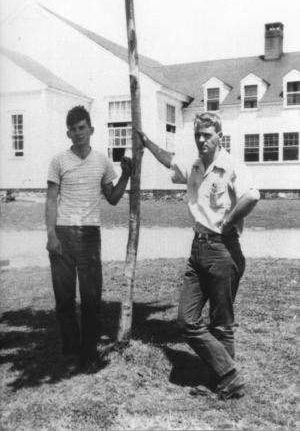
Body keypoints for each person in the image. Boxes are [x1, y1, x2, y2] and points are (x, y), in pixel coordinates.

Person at [138, 112, 260, 399]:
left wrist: (227, 222)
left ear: (220, 135)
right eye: (198, 135)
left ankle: (224, 383)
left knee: (221, 323)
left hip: (223, 250)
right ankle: (229, 374)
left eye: (207, 134)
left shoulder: (230, 165)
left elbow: (252, 196)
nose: (202, 140)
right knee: (186, 320)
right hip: (198, 249)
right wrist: (146, 142)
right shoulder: (194, 166)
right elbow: (169, 159)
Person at [45, 105, 131, 370]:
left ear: (91, 129)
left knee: (92, 298)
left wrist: (126, 173)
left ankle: (89, 352)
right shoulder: (59, 160)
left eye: (82, 127)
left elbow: (114, 198)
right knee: (64, 298)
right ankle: (71, 351)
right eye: (72, 129)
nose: (78, 133)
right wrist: (51, 235)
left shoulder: (102, 162)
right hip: (63, 232)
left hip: (90, 234)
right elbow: (50, 200)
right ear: (68, 134)